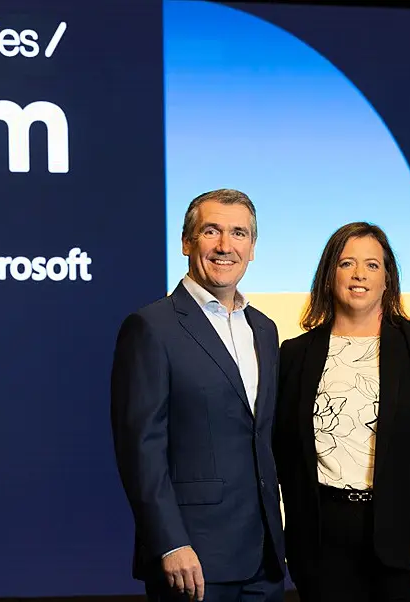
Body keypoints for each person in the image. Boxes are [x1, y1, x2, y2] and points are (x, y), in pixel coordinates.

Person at [273, 222, 410, 601]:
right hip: (320, 543)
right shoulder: (295, 354)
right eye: (347, 263)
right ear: (329, 274)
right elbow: (282, 452)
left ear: (387, 279)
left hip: (406, 540)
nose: (359, 274)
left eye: (372, 265)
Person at [110, 189, 285, 602]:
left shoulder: (265, 329)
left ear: (253, 248)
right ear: (187, 242)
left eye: (239, 233)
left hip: (264, 558)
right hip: (193, 560)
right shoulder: (151, 327)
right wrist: (170, 543)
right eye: (212, 231)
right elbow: (141, 449)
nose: (226, 246)